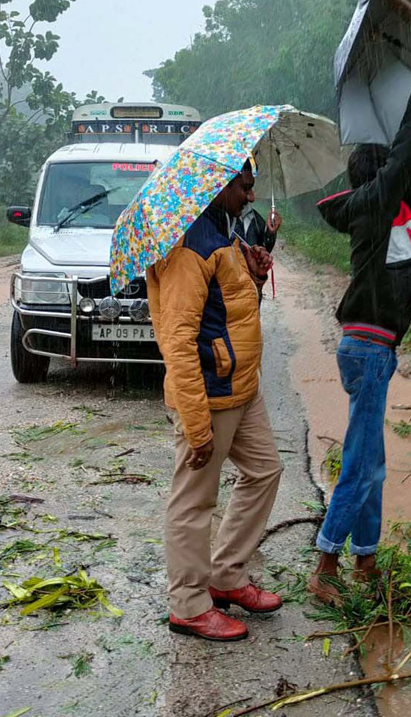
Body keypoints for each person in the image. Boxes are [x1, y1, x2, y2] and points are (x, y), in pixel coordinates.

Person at [307, 15, 411, 602]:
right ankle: (326, 565)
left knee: (371, 460)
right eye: (393, 170)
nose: (404, 177)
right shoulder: (375, 205)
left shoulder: (395, 209)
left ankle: (367, 563)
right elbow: (407, 150)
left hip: (376, 349)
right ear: (380, 177)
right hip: (369, 348)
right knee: (363, 463)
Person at [147, 161, 284, 641]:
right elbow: (178, 339)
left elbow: (230, 312)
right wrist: (196, 422)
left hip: (244, 389)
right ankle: (188, 603)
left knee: (266, 470)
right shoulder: (188, 247)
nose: (250, 196)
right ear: (219, 185)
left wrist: (253, 272)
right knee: (194, 500)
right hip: (210, 394)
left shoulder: (222, 232)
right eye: (245, 187)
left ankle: (226, 576)